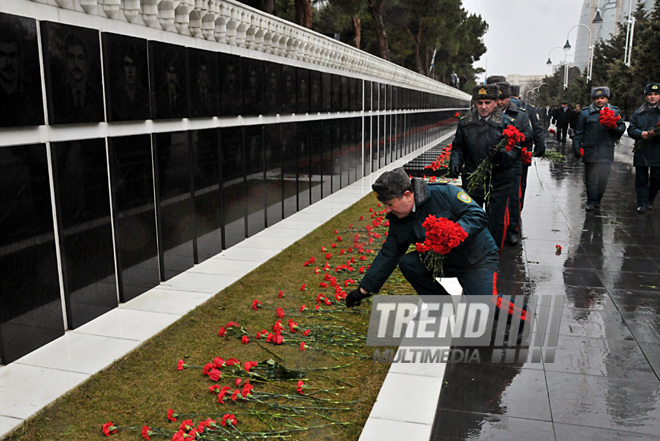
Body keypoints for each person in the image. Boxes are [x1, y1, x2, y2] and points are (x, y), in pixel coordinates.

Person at [344, 167, 499, 304]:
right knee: (408, 263)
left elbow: (477, 215)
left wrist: (455, 231)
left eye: (390, 204)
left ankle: (523, 317)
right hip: (445, 261)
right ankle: (442, 306)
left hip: (476, 259)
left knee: (485, 305)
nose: (387, 210)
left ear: (407, 195)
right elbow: (389, 253)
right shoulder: (399, 219)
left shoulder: (444, 193)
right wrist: (364, 290)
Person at [448, 84, 517, 250]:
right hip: (473, 178)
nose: (483, 107)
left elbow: (515, 151)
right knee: (471, 217)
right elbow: (458, 146)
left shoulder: (507, 124)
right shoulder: (466, 123)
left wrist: (502, 154)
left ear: (495, 103)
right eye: (480, 103)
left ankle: (492, 253)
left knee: (495, 222)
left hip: (498, 181)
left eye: (488, 102)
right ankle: (472, 251)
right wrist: (455, 161)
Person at [486, 77, 532, 246]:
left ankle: (513, 230)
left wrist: (514, 138)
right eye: (496, 99)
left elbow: (528, 134)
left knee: (513, 199)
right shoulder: (486, 114)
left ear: (508, 98)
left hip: (513, 163)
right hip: (493, 164)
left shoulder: (519, 115)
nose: (498, 102)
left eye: (502, 99)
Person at [573, 86, 626, 211]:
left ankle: (597, 199)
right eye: (597, 98)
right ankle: (591, 201)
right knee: (590, 178)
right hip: (590, 149)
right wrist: (577, 147)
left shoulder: (614, 111)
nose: (599, 101)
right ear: (593, 99)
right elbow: (579, 132)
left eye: (602, 98)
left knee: (603, 177)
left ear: (607, 99)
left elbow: (621, 127)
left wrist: (614, 127)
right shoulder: (585, 113)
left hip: (606, 150)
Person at [53, 33, 102, 123]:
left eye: (80, 58)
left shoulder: (98, 98)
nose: (76, 64)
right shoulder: (58, 98)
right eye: (72, 57)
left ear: (86, 62)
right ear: (66, 61)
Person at [627, 82, 660, 213]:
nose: (652, 97)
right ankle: (642, 203)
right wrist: (641, 134)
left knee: (656, 179)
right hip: (642, 150)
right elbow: (631, 129)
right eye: (650, 94)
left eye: (656, 94)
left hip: (658, 150)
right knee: (641, 179)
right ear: (646, 96)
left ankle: (650, 200)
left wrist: (656, 134)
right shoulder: (638, 112)